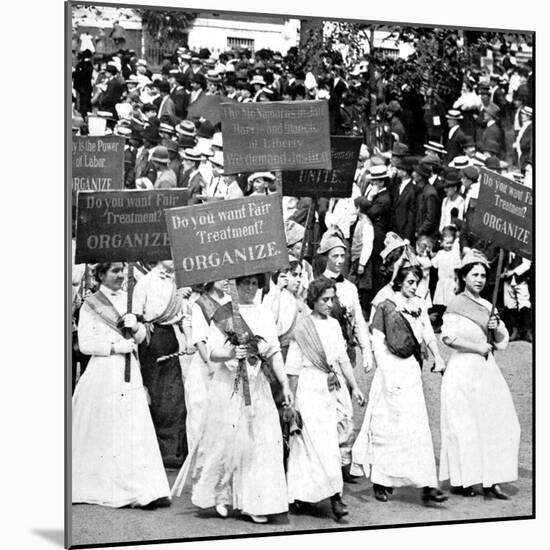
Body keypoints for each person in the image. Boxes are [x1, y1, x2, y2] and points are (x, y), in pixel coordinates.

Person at [171, 274, 292, 524]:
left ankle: (256, 501)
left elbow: (274, 351)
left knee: (260, 442)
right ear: (235, 285)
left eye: (254, 283)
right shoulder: (223, 313)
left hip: (258, 385)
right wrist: (229, 352)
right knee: (226, 442)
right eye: (244, 282)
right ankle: (220, 495)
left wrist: (285, 383)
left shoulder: (265, 313)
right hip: (230, 384)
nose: (249, 288)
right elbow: (212, 353)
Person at [73, 262, 171, 509]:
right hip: (104, 371)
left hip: (130, 371)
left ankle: (142, 488)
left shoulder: (129, 300)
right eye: (114, 271)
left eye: (121, 271)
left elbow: (141, 339)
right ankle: (116, 487)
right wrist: (115, 347)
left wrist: (135, 327)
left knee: (133, 426)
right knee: (110, 427)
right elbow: (84, 344)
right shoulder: (90, 304)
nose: (120, 276)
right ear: (101, 275)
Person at [351, 264, 447, 505]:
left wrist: (438, 356)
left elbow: (427, 335)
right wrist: (389, 376)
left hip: (411, 370)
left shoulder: (419, 306)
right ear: (399, 282)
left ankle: (427, 484)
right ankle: (381, 481)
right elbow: (378, 344)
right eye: (410, 282)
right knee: (389, 426)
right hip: (390, 372)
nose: (414, 287)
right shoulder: (385, 306)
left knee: (417, 426)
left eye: (417, 282)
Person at [439, 250, 520, 499]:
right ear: (464, 277)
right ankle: (464, 480)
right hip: (462, 370)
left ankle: (491, 479)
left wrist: (495, 330)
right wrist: (477, 346)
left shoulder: (488, 305)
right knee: (464, 426)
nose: (480, 279)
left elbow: (502, 340)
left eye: (483, 275)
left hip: (486, 370)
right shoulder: (455, 304)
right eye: (474, 274)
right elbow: (448, 337)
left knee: (497, 422)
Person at [286, 277, 365, 520]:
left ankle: (334, 495)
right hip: (308, 390)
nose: (330, 304)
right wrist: (292, 401)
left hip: (328, 390)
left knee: (329, 444)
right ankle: (304, 495)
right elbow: (293, 368)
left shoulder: (333, 325)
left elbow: (342, 359)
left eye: (333, 299)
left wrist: (356, 386)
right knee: (309, 446)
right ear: (314, 301)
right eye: (325, 299)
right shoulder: (302, 328)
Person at [318, 229, 374, 482]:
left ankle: (343, 463)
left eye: (343, 255)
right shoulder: (317, 285)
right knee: (327, 410)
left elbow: (360, 322)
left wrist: (366, 351)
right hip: (324, 357)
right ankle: (326, 462)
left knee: (346, 409)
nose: (340, 260)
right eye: (335, 255)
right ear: (326, 257)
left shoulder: (350, 288)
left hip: (347, 354)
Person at [132, 260, 188, 469]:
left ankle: (173, 449)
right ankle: (158, 448)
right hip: (151, 339)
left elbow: (181, 316)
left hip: (170, 337)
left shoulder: (176, 283)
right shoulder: (145, 283)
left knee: (175, 395)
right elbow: (136, 314)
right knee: (156, 393)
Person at [185, 279, 231, 449]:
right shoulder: (200, 304)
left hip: (227, 361)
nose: (226, 279)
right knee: (202, 416)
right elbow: (199, 340)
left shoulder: (230, 300)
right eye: (222, 276)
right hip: (206, 367)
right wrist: (211, 367)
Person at [431, 226, 462, 331]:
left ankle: (451, 325)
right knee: (441, 305)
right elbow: (434, 264)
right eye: (446, 242)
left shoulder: (454, 254)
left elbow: (457, 270)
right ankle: (440, 324)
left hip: (450, 282)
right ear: (441, 242)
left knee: (450, 304)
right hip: (442, 282)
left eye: (450, 243)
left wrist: (457, 283)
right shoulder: (440, 254)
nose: (448, 245)